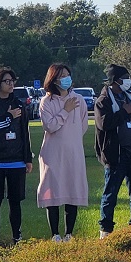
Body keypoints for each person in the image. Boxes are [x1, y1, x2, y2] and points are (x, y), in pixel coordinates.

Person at [0, 68, 33, 255]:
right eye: (7, 81)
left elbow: (25, 133)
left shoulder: (19, 103)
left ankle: (17, 239)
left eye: (13, 80)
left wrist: (27, 158)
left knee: (15, 202)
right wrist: (8, 117)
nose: (11, 84)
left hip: (17, 161)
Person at [95, 64, 131, 238]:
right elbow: (104, 124)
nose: (128, 80)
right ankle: (106, 230)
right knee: (110, 194)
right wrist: (123, 113)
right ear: (115, 80)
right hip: (116, 156)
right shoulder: (103, 101)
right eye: (125, 77)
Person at [37, 63, 89, 242]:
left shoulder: (79, 99)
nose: (66, 78)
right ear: (54, 79)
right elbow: (50, 126)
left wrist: (71, 140)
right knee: (53, 191)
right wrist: (65, 111)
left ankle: (69, 234)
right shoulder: (46, 101)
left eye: (68, 74)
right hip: (53, 154)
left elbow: (83, 126)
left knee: (72, 189)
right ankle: (55, 234)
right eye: (62, 75)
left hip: (74, 152)